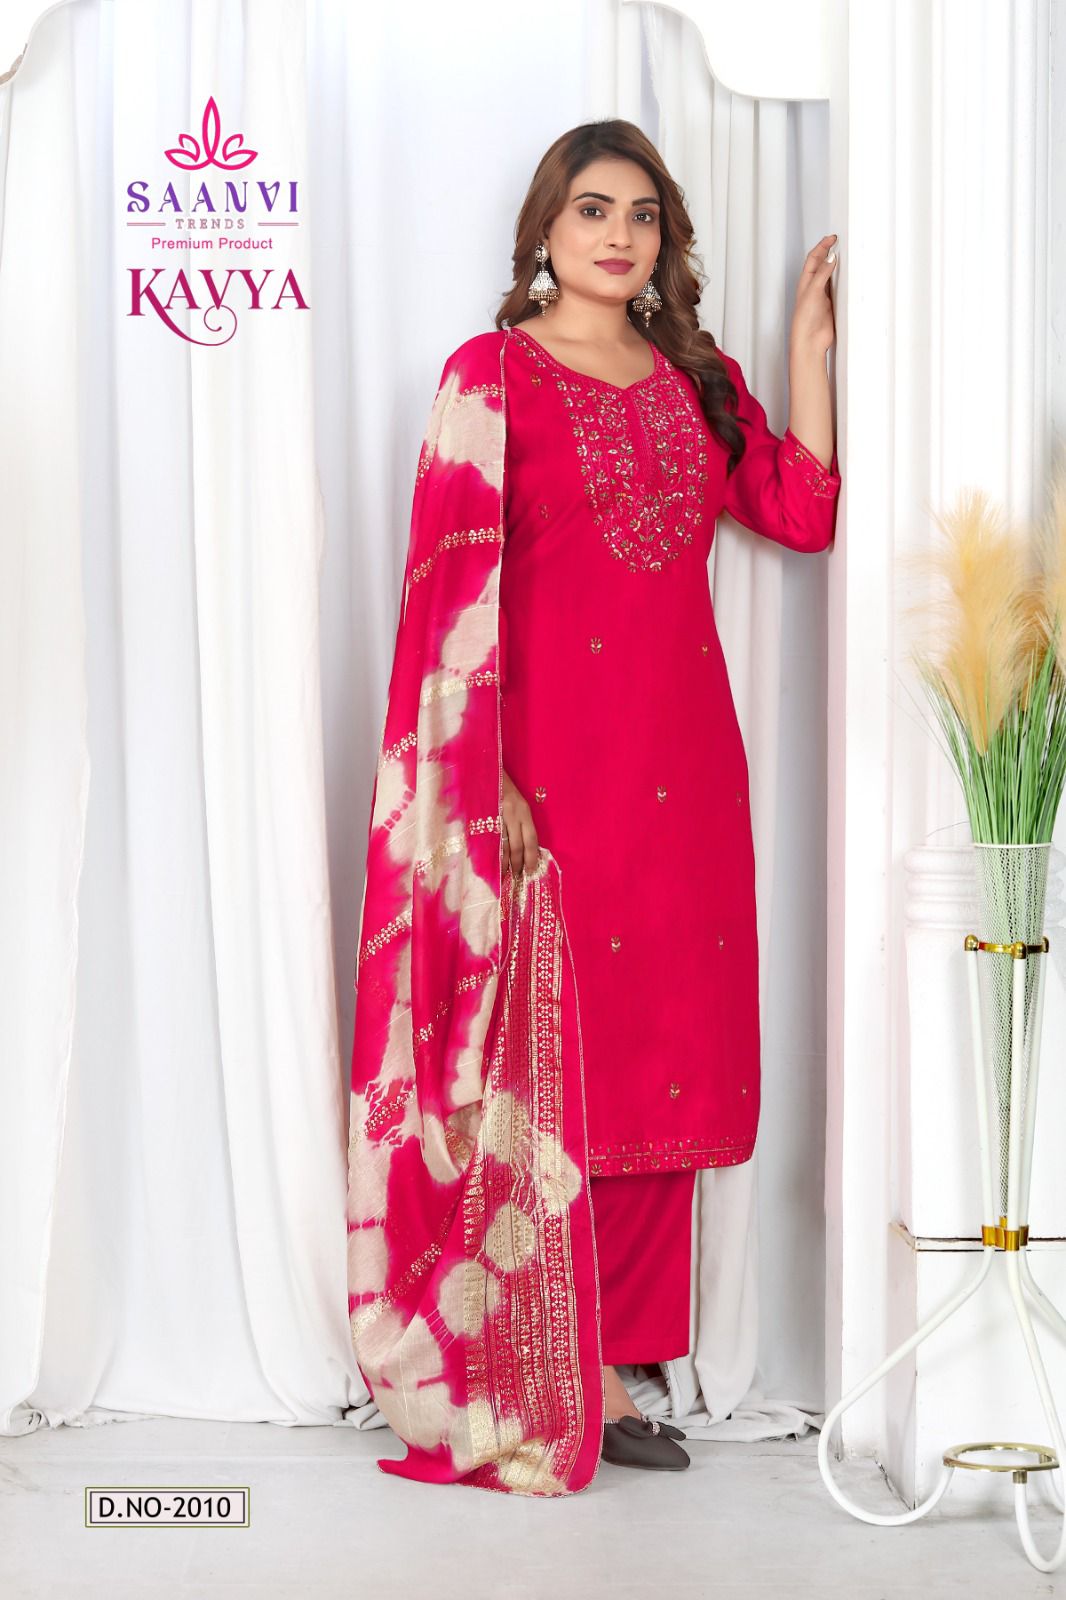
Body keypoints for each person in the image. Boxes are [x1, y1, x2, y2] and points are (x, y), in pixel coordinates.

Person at [346, 118, 840, 1497]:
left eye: (642, 215)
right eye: (592, 211)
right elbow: (446, 590)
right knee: (559, 1053)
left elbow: (799, 511)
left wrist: (806, 352)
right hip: (549, 769)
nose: (619, 236)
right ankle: (554, 1358)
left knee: (661, 1054)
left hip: (684, 769)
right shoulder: (489, 375)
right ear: (544, 233)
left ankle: (617, 1352)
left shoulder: (693, 380)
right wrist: (485, 770)